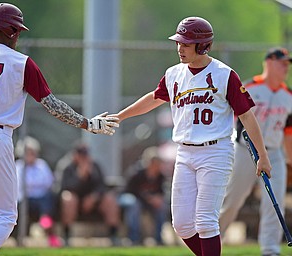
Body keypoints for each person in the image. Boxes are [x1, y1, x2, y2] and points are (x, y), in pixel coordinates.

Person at [108, 16, 272, 256]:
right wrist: (119, 117)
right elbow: (154, 98)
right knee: (183, 226)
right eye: (179, 42)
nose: (180, 48)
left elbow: (247, 117)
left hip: (215, 151)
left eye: (186, 43)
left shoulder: (224, 74)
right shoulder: (174, 74)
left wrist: (263, 156)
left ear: (203, 45)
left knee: (206, 221)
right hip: (184, 152)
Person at [0, 3, 118, 255]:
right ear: (13, 32)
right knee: (5, 217)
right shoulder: (21, 62)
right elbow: (52, 105)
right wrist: (87, 123)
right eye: (17, 31)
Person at [219, 47, 292, 256]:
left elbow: (288, 131)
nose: (286, 67)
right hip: (245, 150)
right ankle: (211, 244)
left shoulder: (288, 96)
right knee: (233, 201)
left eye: (288, 64)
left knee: (274, 202)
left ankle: (270, 250)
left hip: (274, 154)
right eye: (282, 62)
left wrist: (291, 159)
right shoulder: (249, 87)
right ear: (269, 62)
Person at [57, 144, 121, 246]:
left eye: (85, 155)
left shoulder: (95, 166)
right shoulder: (68, 167)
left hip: (94, 203)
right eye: (80, 155)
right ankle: (66, 236)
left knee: (110, 199)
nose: (83, 158)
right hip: (76, 203)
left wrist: (93, 197)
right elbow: (65, 187)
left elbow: (102, 186)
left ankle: (113, 235)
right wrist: (80, 176)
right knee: (68, 198)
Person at [14, 136, 61, 247]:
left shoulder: (42, 165)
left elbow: (49, 183)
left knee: (49, 196)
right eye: (29, 152)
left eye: (34, 152)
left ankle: (46, 222)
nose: (32, 155)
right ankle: (20, 237)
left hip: (42, 199)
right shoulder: (19, 167)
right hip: (25, 200)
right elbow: (19, 186)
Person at [119, 146, 167, 245]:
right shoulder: (137, 173)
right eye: (155, 162)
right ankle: (134, 238)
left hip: (147, 201)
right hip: (129, 198)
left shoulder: (160, 176)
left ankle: (158, 239)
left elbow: (161, 192)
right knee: (134, 204)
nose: (157, 166)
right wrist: (148, 198)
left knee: (162, 206)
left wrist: (157, 199)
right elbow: (129, 190)